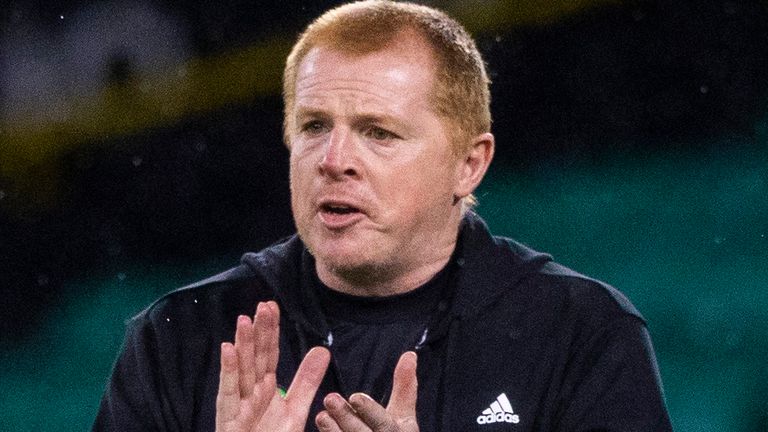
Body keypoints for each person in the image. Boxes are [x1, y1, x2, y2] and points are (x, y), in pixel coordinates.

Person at [94, 1, 672, 431]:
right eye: (315, 126)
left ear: (469, 164)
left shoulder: (582, 333)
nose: (335, 161)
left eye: (378, 132)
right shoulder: (178, 338)